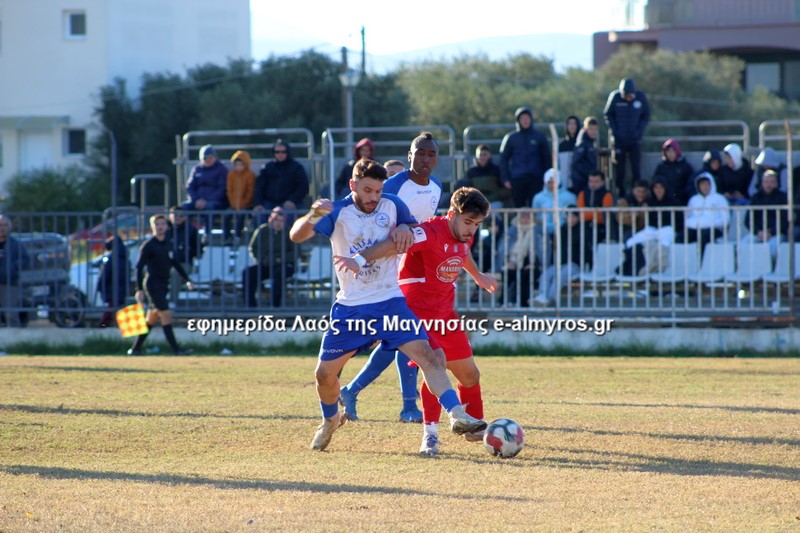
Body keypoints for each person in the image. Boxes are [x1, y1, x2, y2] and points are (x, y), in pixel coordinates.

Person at [288, 158, 486, 451]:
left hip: (390, 301)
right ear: (353, 185)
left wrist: (405, 227)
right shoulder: (338, 211)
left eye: (378, 191)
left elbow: (409, 227)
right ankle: (330, 420)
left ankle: (457, 415)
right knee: (324, 375)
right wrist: (313, 215)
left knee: (429, 357)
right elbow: (296, 235)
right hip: (351, 307)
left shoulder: (392, 204)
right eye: (368, 191)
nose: (373, 198)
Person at [337, 187, 498, 455]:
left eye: (477, 224)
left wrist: (478, 275)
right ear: (451, 214)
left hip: (445, 315)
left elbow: (462, 250)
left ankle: (476, 430)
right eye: (468, 222)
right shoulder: (430, 232)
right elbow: (394, 243)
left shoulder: (463, 235)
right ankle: (431, 435)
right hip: (417, 316)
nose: (472, 229)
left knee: (470, 375)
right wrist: (360, 259)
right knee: (436, 365)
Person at [340, 132, 445, 424]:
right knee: (406, 336)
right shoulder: (394, 186)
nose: (425, 159)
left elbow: (422, 230)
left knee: (397, 340)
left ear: (437, 158)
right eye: (420, 153)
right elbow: (374, 220)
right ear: (410, 154)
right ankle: (408, 406)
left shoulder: (436, 187)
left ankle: (352, 390)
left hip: (417, 272)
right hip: (388, 271)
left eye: (431, 154)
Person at [128, 214, 195, 356]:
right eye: (157, 224)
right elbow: (139, 267)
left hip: (164, 284)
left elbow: (176, 264)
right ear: (152, 227)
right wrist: (139, 289)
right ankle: (177, 350)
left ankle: (135, 349)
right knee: (166, 315)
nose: (160, 227)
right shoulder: (149, 245)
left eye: (162, 224)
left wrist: (187, 280)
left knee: (151, 318)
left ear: (167, 226)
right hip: (153, 285)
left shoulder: (169, 244)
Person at [534, 205, 592, 305]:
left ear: (577, 218)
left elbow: (585, 251)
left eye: (573, 216)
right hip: (559, 263)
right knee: (546, 275)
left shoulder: (583, 230)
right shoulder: (561, 230)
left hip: (574, 264)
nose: (571, 219)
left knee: (560, 276)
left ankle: (550, 299)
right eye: (568, 216)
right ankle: (542, 295)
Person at [603, 78, 651, 196]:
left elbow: (646, 115)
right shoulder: (615, 97)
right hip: (619, 141)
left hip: (635, 140)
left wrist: (639, 132)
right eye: (626, 95)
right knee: (620, 172)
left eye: (630, 95)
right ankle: (622, 197)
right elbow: (607, 114)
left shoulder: (640, 97)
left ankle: (637, 197)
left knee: (636, 170)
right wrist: (616, 131)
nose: (628, 98)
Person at [242, 207, 295, 307]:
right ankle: (250, 306)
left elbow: (296, 252)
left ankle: (275, 305)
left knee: (279, 273)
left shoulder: (290, 232)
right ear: (271, 219)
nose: (278, 223)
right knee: (248, 273)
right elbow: (253, 248)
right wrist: (262, 259)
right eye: (276, 220)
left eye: (281, 221)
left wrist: (280, 258)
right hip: (265, 263)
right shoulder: (262, 230)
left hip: (284, 264)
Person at [499, 106, 552, 207]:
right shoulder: (510, 138)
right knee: (519, 208)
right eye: (522, 118)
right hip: (517, 179)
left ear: (531, 119)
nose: (525, 121)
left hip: (536, 178)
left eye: (527, 118)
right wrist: (505, 179)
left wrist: (546, 179)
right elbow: (503, 159)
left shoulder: (539, 137)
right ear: (518, 120)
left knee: (535, 206)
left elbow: (547, 159)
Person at [252, 140, 309, 225]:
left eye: (283, 152)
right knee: (259, 216)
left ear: (288, 152)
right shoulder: (267, 167)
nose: (280, 154)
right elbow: (259, 187)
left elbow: (303, 186)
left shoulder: (296, 167)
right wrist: (258, 203)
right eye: (277, 152)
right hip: (269, 203)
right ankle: (264, 237)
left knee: (287, 218)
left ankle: (285, 238)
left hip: (288, 203)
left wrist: (292, 200)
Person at [532, 168, 576, 268]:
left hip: (564, 229)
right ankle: (543, 266)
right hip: (544, 231)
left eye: (554, 182)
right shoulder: (538, 198)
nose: (552, 185)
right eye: (549, 182)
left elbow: (572, 215)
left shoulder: (570, 197)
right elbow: (535, 215)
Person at [741, 170, 787, 260]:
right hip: (758, 233)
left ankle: (770, 272)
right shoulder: (755, 198)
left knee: (772, 249)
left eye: (772, 182)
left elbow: (785, 220)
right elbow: (747, 220)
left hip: (776, 233)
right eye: (766, 182)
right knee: (743, 246)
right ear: (762, 183)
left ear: (777, 183)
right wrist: (758, 232)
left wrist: (770, 232)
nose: (768, 185)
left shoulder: (783, 198)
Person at [182, 145, 229, 227]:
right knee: (184, 207)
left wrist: (206, 201)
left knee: (209, 207)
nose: (208, 160)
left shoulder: (221, 169)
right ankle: (188, 232)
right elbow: (190, 187)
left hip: (216, 201)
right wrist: (196, 200)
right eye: (205, 158)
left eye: (210, 157)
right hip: (197, 201)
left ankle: (208, 234)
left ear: (215, 157)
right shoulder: (196, 169)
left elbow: (222, 189)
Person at [684, 172, 730, 254]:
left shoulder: (719, 199)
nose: (705, 187)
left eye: (707, 184)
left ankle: (701, 264)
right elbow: (688, 217)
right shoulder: (694, 199)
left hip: (714, 229)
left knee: (704, 238)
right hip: (695, 228)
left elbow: (725, 219)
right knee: (681, 237)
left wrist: (710, 223)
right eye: (702, 184)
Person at [167, 206, 204, 304]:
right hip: (165, 263)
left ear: (185, 217)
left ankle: (172, 302)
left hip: (184, 263)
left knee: (176, 272)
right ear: (169, 216)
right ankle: (149, 303)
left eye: (181, 215)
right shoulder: (165, 229)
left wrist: (187, 252)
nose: (178, 217)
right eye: (175, 215)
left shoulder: (191, 230)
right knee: (149, 270)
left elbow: (198, 250)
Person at [0, 215, 30, 327]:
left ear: (10, 227)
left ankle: (14, 341)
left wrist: (13, 268)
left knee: (11, 314)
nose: (2, 228)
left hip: (9, 284)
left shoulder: (15, 244)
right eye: (0, 225)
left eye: (5, 225)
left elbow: (25, 259)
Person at [459, 144, 510, 209]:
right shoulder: (470, 172)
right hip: (477, 203)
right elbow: (465, 188)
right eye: (480, 155)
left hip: (494, 202)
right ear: (476, 156)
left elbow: (505, 188)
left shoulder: (497, 170)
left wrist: (496, 195)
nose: (482, 157)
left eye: (485, 155)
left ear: (489, 155)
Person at [96, 234, 130, 327]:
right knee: (119, 309)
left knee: (110, 310)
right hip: (122, 288)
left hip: (111, 288)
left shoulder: (112, 258)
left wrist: (100, 286)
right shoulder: (125, 257)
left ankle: (101, 327)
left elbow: (105, 275)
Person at [577, 170, 615, 244]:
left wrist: (588, 213)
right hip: (584, 226)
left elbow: (604, 215)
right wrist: (596, 212)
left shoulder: (607, 195)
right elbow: (580, 214)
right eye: (591, 181)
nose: (593, 184)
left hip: (600, 227)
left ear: (603, 182)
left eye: (596, 181)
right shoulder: (583, 193)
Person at [653, 139, 694, 205]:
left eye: (673, 151)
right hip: (664, 203)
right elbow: (656, 183)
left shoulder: (685, 167)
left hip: (681, 201)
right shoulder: (661, 167)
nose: (670, 154)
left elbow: (690, 184)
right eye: (668, 151)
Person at [226, 149, 256, 238]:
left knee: (241, 215)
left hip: (246, 206)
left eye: (241, 164)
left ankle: (237, 237)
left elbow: (250, 191)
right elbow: (229, 190)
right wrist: (233, 204)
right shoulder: (231, 175)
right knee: (226, 215)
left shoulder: (250, 175)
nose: (238, 166)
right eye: (236, 164)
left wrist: (244, 203)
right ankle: (226, 238)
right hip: (233, 206)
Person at [569, 117, 599, 195]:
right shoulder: (582, 143)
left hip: (588, 180)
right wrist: (590, 174)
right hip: (581, 181)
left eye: (595, 129)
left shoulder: (591, 143)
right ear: (585, 129)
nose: (593, 132)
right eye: (591, 129)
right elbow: (576, 163)